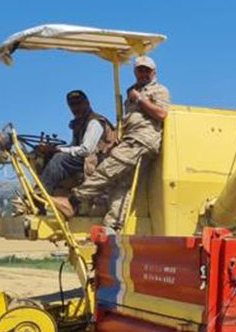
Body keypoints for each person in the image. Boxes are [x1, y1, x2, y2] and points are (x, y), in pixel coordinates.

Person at [53, 55, 171, 228]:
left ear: (154, 72)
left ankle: (73, 201)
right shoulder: (132, 91)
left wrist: (139, 99)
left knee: (107, 169)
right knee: (122, 185)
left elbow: (161, 114)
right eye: (140, 70)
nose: (143, 74)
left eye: (147, 70)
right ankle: (113, 226)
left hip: (142, 140)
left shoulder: (159, 90)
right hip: (131, 138)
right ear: (135, 72)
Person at [37, 90, 116, 194]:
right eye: (72, 105)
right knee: (45, 157)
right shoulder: (79, 124)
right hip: (85, 159)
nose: (75, 108)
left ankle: (40, 193)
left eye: (79, 103)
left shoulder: (95, 122)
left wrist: (58, 150)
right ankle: (53, 192)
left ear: (87, 103)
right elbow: (73, 146)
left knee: (60, 159)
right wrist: (53, 149)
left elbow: (86, 150)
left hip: (98, 161)